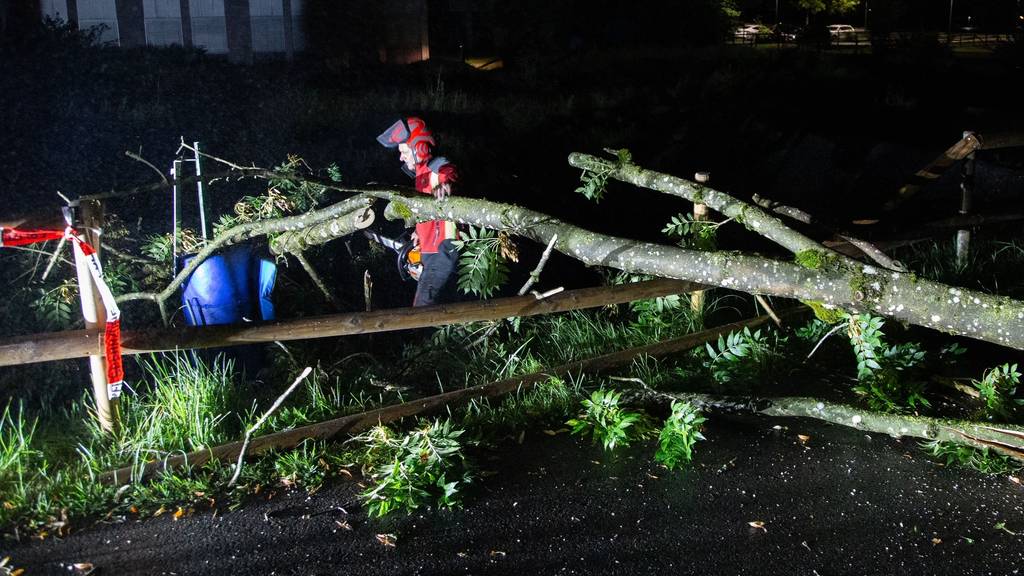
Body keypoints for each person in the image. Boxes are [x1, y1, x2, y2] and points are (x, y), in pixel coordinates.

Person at [377, 117, 460, 307]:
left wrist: (446, 184)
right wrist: (419, 232)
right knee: (433, 302)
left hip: (444, 248)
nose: (401, 157)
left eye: (404, 152)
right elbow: (424, 214)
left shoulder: (436, 166)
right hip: (429, 249)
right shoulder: (420, 176)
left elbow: (449, 171)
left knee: (423, 306)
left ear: (419, 148)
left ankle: (419, 336)